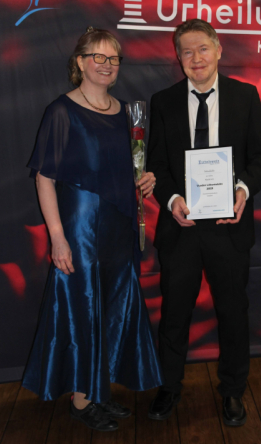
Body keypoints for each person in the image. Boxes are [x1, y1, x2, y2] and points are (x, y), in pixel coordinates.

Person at [22, 27, 163, 432]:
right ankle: (82, 401)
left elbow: (130, 169)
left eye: (113, 59)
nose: (106, 65)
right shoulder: (61, 110)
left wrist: (146, 178)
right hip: (81, 231)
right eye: (97, 57)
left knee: (113, 309)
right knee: (83, 309)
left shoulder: (128, 112)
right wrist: (58, 237)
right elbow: (44, 178)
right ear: (80, 62)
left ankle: (99, 390)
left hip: (119, 228)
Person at [146, 19, 261, 426]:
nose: (196, 58)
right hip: (180, 229)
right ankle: (169, 386)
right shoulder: (163, 102)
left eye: (203, 48)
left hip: (229, 228)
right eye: (186, 51)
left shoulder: (245, 96)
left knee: (233, 314)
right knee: (174, 315)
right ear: (178, 58)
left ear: (219, 50)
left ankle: (233, 390)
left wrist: (243, 190)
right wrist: (172, 200)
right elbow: (156, 164)